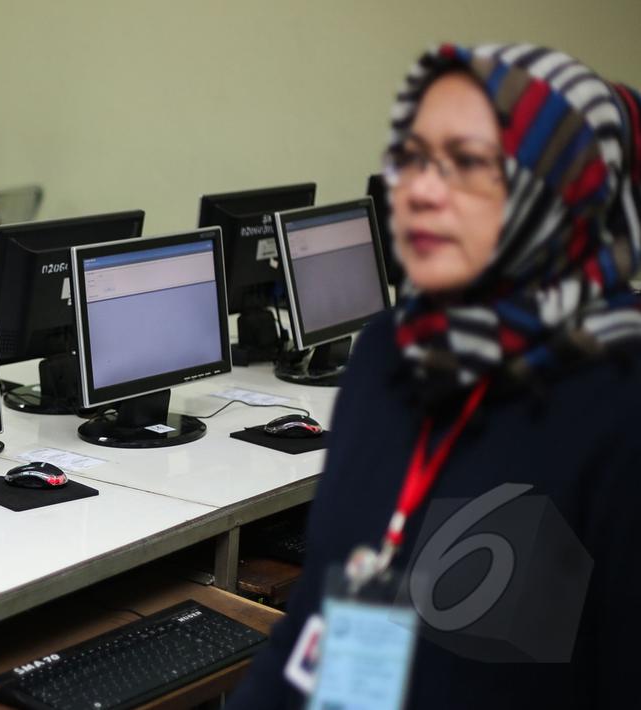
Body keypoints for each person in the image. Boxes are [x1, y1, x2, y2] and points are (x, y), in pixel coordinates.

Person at [227, 43, 641, 708]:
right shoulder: (389, 355)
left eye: (468, 162)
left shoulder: (617, 404)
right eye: (413, 156)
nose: (419, 190)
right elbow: (314, 626)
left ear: (564, 190)